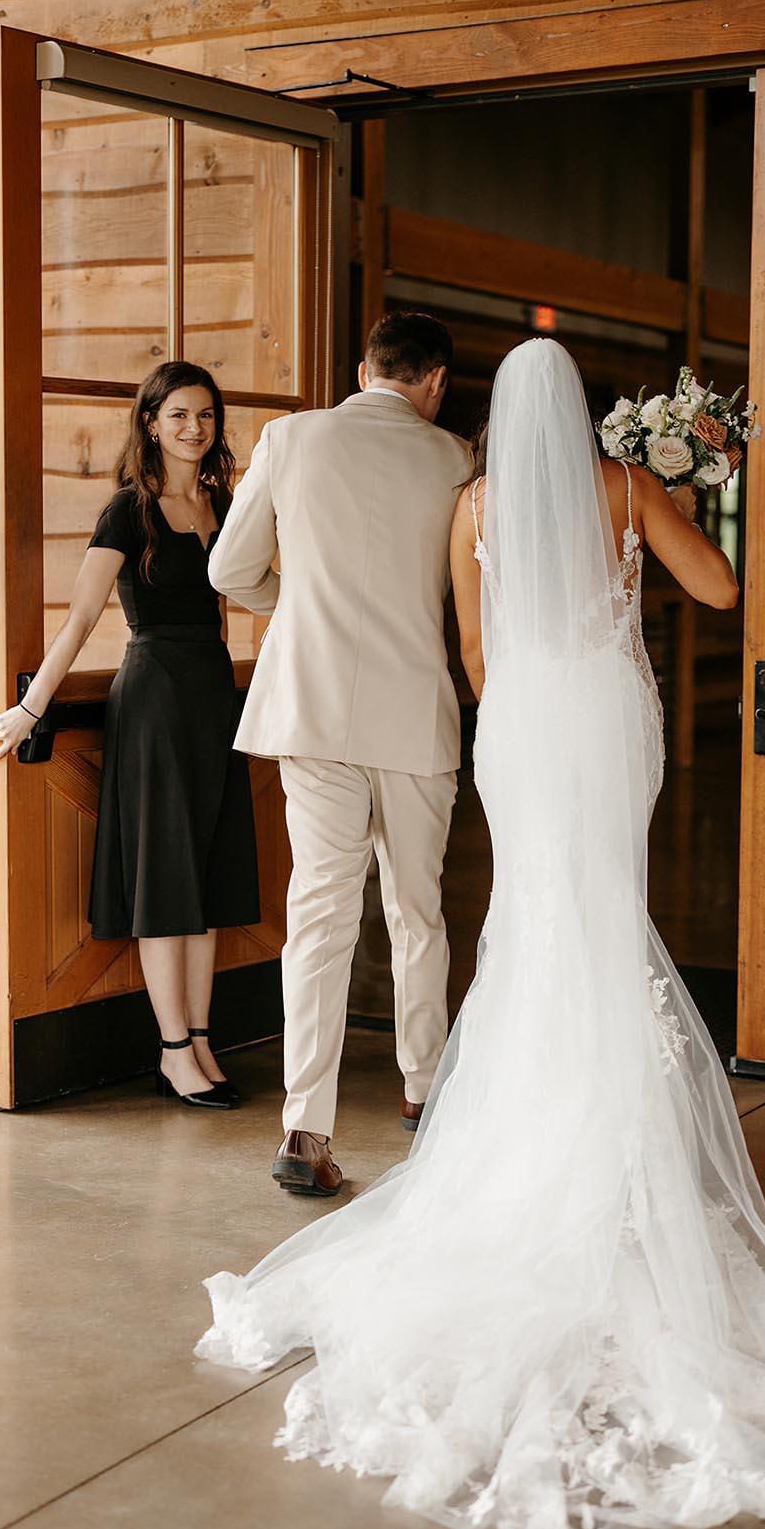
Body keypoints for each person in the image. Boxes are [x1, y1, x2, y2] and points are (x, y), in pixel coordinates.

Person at [196, 340, 765, 1529]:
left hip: (518, 720)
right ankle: (611, 1156)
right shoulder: (623, 489)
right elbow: (717, 591)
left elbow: (471, 653)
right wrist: (672, 503)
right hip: (607, 717)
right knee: (601, 913)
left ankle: (487, 1132)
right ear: (591, 420)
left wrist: (519, 682)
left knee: (525, 919)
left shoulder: (468, 504)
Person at [208, 310, 471, 1195]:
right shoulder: (455, 460)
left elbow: (226, 572)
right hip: (412, 716)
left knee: (318, 918)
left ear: (364, 370)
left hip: (310, 710)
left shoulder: (289, 439)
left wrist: (296, 604)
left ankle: (303, 1131)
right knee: (416, 911)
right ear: (433, 382)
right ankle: (424, 1090)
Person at [0, 361, 260, 1109]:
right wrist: (31, 709)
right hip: (154, 700)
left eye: (204, 415)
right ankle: (173, 1051)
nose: (194, 429)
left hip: (211, 699)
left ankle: (201, 1039)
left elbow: (236, 608)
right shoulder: (126, 511)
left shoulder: (223, 504)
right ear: (149, 423)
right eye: (177, 415)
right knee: (167, 875)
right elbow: (78, 620)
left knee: (204, 877)